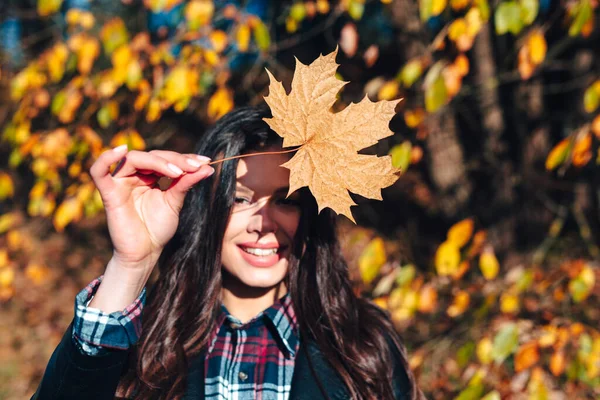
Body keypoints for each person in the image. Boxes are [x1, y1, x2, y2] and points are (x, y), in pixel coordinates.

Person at [32, 106, 422, 400]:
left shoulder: (362, 345)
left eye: (287, 200)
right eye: (239, 200)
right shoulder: (139, 341)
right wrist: (130, 265)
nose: (264, 222)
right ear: (207, 211)